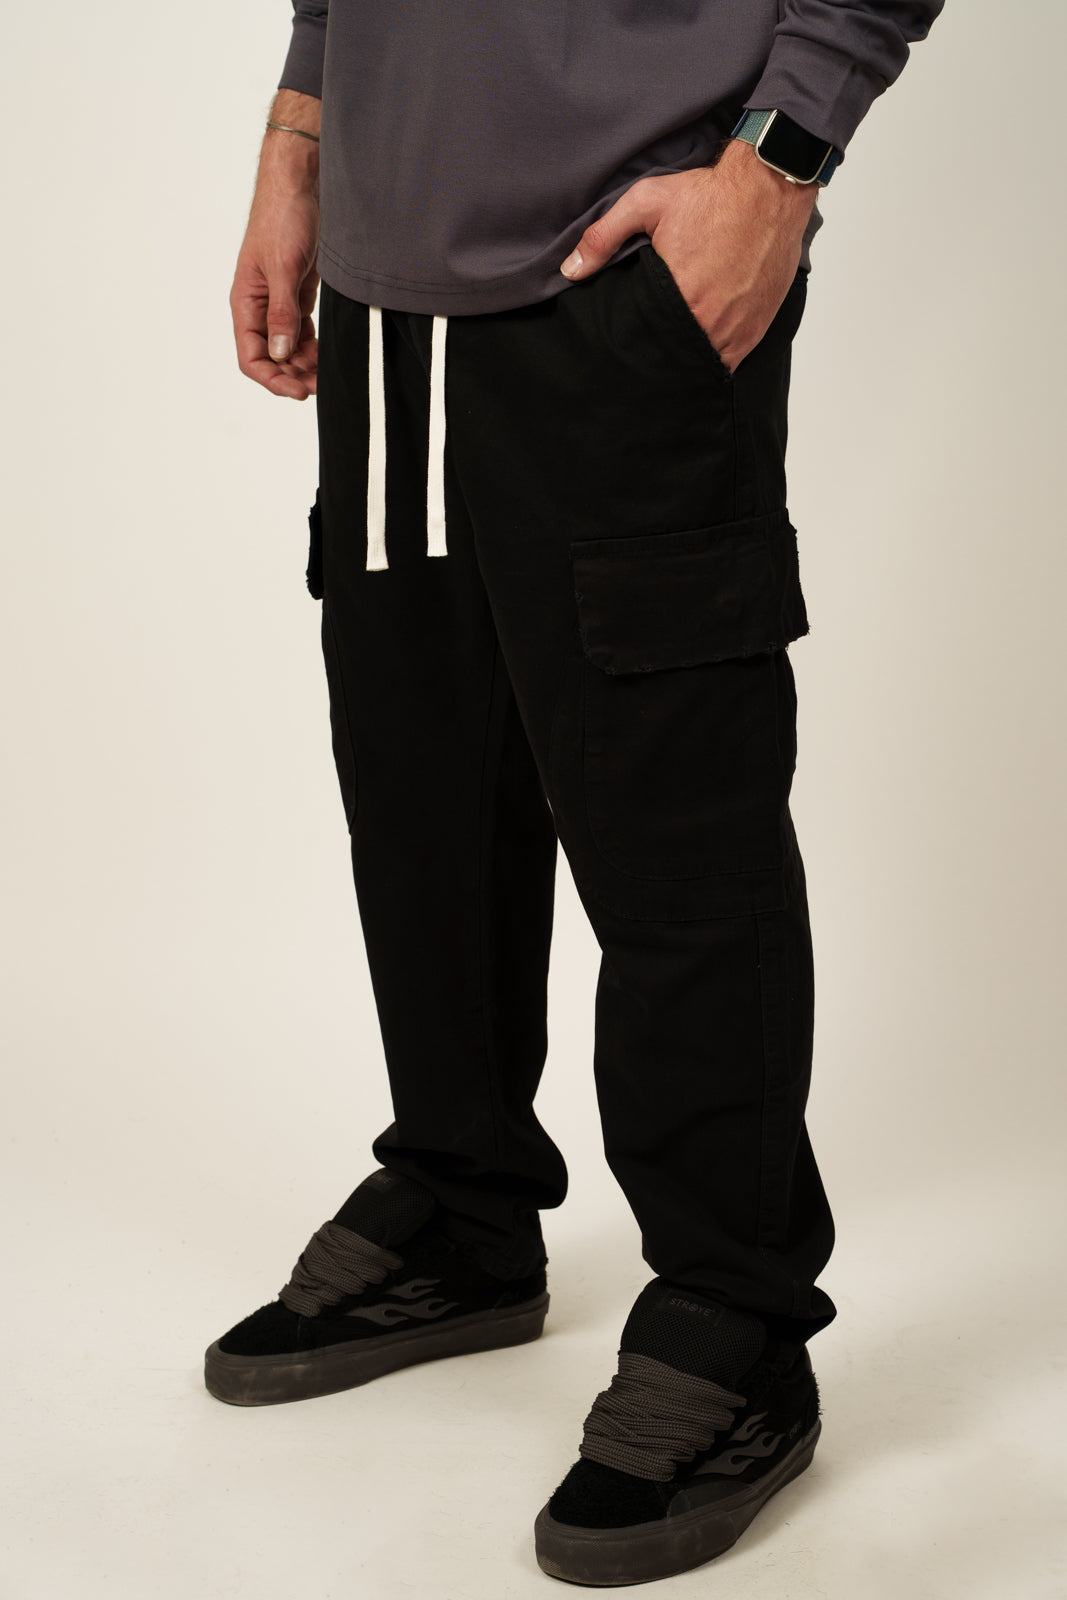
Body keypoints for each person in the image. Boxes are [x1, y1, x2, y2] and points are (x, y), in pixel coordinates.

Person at [206, 1, 943, 1585]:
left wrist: (783, 159)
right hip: (390, 283)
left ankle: (734, 1315)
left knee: (671, 813)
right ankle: (461, 1197)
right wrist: (302, 130)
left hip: (627, 261)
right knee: (419, 770)